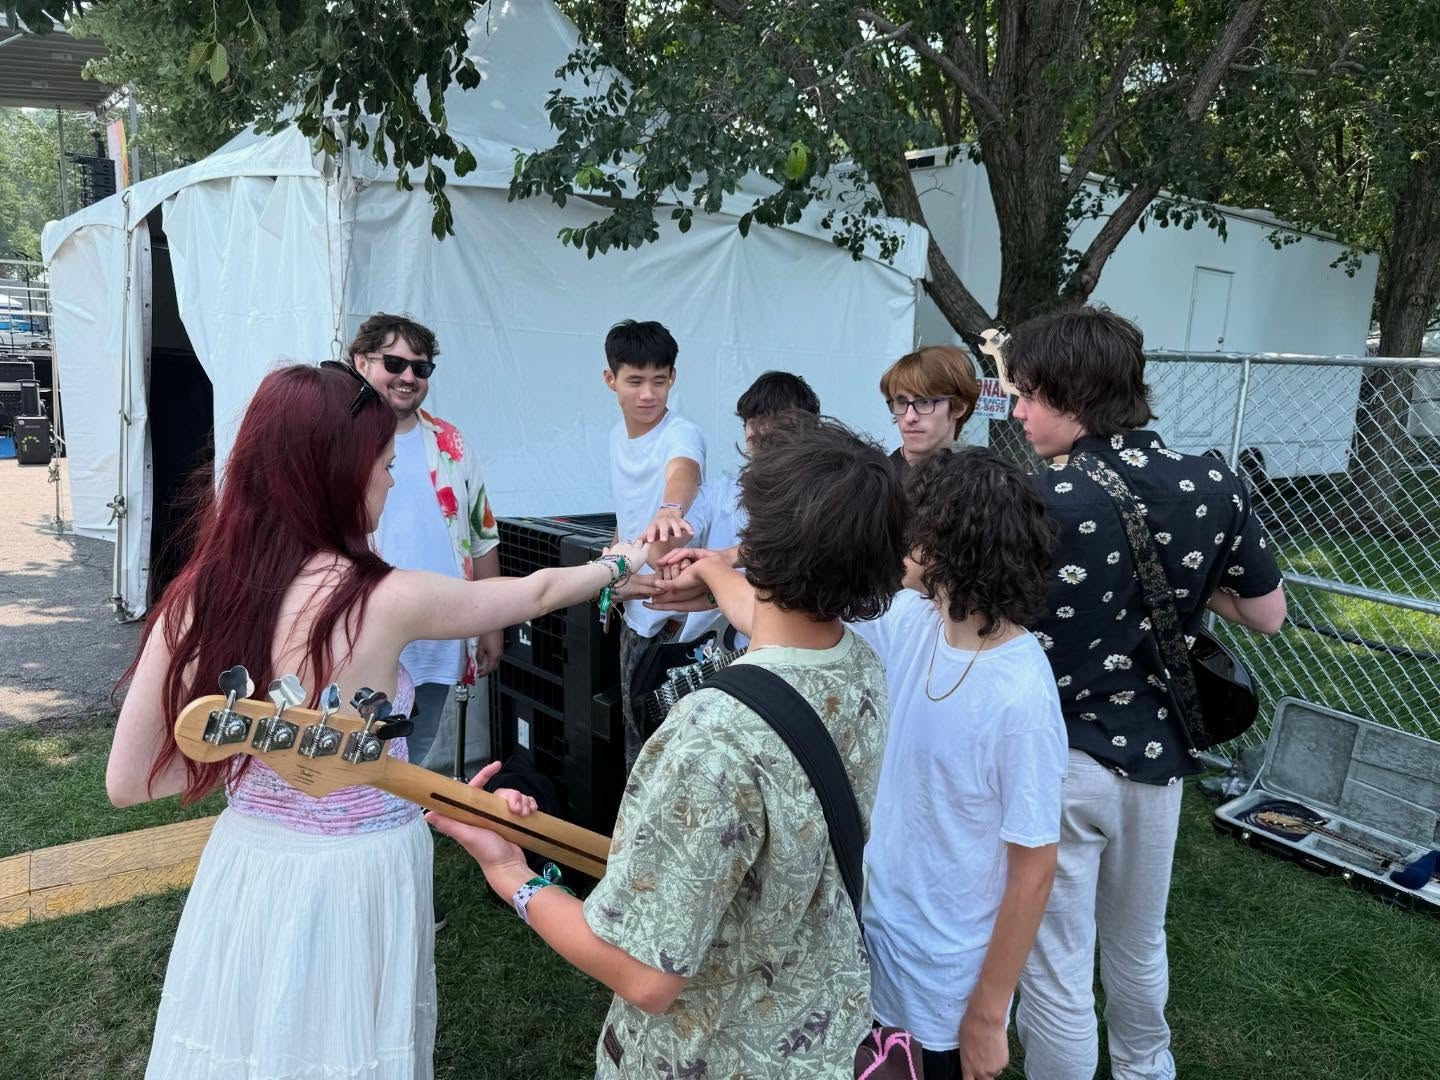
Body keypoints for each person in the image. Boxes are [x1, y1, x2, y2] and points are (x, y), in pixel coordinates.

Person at [105, 362, 651, 1080]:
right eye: (387, 465)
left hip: (251, 861)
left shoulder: (201, 592)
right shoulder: (385, 599)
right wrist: (621, 562)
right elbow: (537, 592)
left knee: (249, 1044)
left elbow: (129, 781)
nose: (392, 483)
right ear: (338, 475)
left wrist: (259, 763)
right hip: (357, 874)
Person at [430, 417, 908, 1078]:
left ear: (760, 541)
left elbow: (645, 975)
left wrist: (510, 871)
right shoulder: (856, 664)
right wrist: (715, 569)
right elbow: (766, 617)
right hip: (816, 1027)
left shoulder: (712, 736)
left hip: (709, 1053)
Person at [654, 448, 1068, 1080]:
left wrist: (987, 1014)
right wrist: (712, 570)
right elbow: (771, 623)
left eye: (914, 526)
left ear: (951, 544)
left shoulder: (1022, 693)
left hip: (943, 985)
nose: (898, 538)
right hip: (865, 938)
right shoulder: (912, 620)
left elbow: (1034, 870)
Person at [1005, 307, 1287, 1080]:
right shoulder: (1212, 481)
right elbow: (1267, 613)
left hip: (1059, 758)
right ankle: (1146, 1069)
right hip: (1160, 758)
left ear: (1072, 394)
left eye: (1028, 394)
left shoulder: (1040, 499)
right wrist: (1182, 579)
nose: (1018, 411)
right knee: (1138, 943)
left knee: (1055, 966)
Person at [350, 312, 501, 769]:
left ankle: (403, 812)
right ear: (361, 362)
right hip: (364, 630)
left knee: (413, 755)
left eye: (421, 367)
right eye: (394, 363)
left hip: (440, 633)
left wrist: (491, 621)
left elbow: (482, 536)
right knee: (356, 754)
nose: (408, 377)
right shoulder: (338, 435)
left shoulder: (450, 440)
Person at [603, 319, 706, 767]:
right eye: (635, 381)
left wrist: (670, 508)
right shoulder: (615, 438)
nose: (648, 394)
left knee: (672, 742)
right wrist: (611, 576)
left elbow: (684, 472)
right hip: (633, 608)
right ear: (610, 380)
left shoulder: (681, 433)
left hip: (676, 619)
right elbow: (624, 517)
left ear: (673, 379)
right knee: (635, 729)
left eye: (659, 381)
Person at [677, 369, 821, 645]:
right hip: (708, 647)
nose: (762, 432)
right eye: (753, 422)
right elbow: (674, 545)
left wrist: (729, 558)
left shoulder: (823, 497)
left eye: (778, 422)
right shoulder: (720, 493)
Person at [879, 344, 980, 467]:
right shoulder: (875, 477)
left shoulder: (980, 476)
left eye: (924, 402)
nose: (909, 417)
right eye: (902, 402)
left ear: (959, 407)